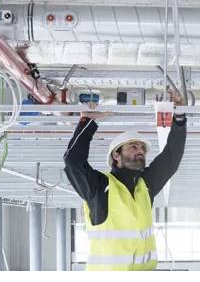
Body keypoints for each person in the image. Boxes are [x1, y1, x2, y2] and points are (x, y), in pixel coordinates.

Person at [64, 87, 187, 271]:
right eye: (133, 147)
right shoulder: (99, 188)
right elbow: (73, 162)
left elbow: (171, 158)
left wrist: (179, 117)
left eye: (142, 149)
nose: (140, 151)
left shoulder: (144, 186)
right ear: (116, 155)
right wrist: (86, 122)